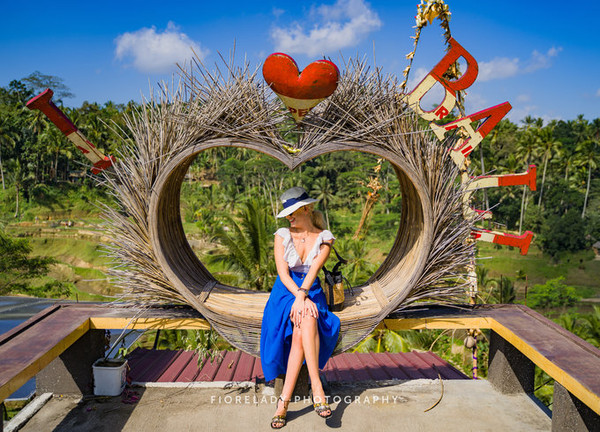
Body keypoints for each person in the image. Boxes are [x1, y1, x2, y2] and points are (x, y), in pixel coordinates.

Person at [260, 186, 341, 429]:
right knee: (307, 316)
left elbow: (314, 270)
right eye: (287, 213)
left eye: (293, 212)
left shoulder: (324, 237)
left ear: (306, 209)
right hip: (285, 291)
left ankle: (283, 403)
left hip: (310, 289)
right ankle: (317, 388)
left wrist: (304, 296)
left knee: (303, 324)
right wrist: (299, 296)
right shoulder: (282, 235)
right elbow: (283, 273)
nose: (289, 217)